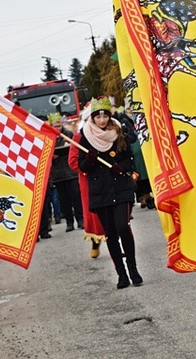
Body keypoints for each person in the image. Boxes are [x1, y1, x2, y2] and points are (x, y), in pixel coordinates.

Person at [78, 96, 142, 289]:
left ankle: (133, 269)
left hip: (120, 187)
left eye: (105, 116)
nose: (102, 120)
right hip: (101, 192)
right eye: (98, 117)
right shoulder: (85, 136)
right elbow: (82, 167)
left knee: (123, 226)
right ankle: (121, 274)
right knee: (111, 234)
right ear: (93, 118)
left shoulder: (118, 132)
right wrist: (90, 159)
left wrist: (120, 168)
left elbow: (128, 157)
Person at [68, 111, 106, 259]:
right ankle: (95, 240)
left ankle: (117, 243)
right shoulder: (79, 137)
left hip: (108, 180)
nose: (101, 121)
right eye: (97, 118)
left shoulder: (110, 133)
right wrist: (87, 167)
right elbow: (73, 162)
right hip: (89, 182)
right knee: (95, 215)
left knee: (115, 214)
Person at [51, 117, 84, 232]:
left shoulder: (68, 134)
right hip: (58, 173)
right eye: (55, 126)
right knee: (63, 199)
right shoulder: (49, 137)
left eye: (59, 126)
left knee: (76, 196)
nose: (57, 128)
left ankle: (80, 219)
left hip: (70, 171)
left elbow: (76, 148)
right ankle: (69, 222)